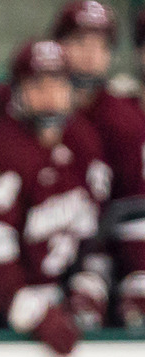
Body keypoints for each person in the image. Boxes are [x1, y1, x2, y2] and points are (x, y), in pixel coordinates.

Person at [0, 40, 101, 357]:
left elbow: (97, 232)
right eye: (37, 84)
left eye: (59, 82)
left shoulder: (84, 140)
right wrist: (33, 312)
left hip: (57, 300)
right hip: (1, 311)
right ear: (18, 92)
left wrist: (90, 286)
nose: (50, 94)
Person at [51, 0, 145, 326]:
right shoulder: (24, 113)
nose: (90, 54)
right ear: (57, 45)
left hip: (102, 259)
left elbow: (133, 208)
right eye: (79, 42)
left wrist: (135, 277)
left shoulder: (126, 120)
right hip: (40, 257)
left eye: (100, 45)